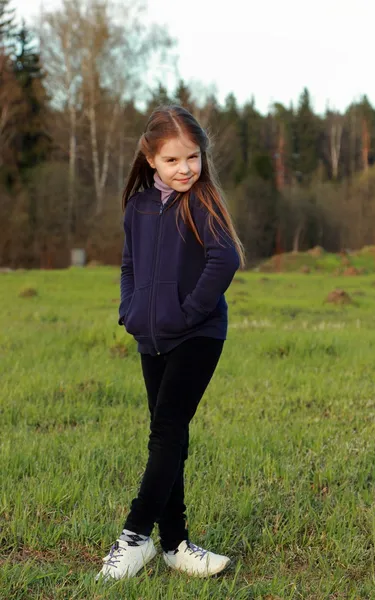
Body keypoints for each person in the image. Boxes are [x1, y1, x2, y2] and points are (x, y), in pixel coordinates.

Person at [96, 105, 245, 582]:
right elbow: (128, 266)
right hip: (150, 336)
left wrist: (188, 313)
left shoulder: (202, 202)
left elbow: (225, 260)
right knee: (167, 435)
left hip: (197, 336)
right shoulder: (138, 207)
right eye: (173, 160)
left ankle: (135, 537)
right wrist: (130, 310)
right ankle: (176, 544)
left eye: (193, 158)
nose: (186, 169)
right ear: (151, 158)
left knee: (166, 432)